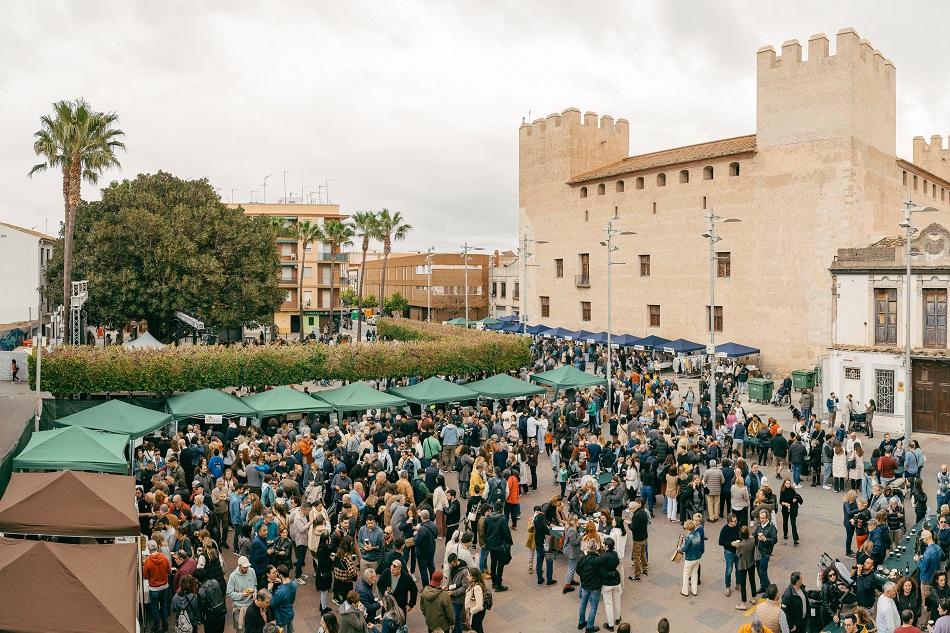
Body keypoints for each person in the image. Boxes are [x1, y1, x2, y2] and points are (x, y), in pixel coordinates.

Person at [144, 539, 172, 633]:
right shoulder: (164, 558)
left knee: (155, 608)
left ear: (148, 549)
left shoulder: (148, 561)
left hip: (154, 588)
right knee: (164, 606)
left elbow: (145, 576)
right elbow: (169, 570)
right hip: (164, 586)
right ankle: (165, 626)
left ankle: (156, 627)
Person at [577, 539, 605, 633]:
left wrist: (583, 577)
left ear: (588, 547)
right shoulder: (598, 559)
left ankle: (581, 622)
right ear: (596, 547)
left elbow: (578, 570)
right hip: (595, 586)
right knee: (594, 605)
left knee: (583, 603)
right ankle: (590, 626)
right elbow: (601, 572)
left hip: (585, 584)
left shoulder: (582, 558)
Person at [484, 501, 512, 592]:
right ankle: (498, 584)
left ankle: (493, 581)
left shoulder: (488, 518)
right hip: (500, 545)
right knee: (500, 564)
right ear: (501, 509)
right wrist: (509, 542)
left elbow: (485, 531)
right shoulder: (503, 518)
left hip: (491, 544)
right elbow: (506, 531)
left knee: (493, 562)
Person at [226, 556, 258, 633]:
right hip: (239, 608)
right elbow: (229, 593)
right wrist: (241, 595)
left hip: (251, 606)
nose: (247, 569)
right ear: (239, 566)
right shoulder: (233, 576)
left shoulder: (252, 571)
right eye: (244, 567)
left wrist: (255, 593)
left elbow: (255, 585)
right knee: (240, 631)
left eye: (247, 567)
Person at [752, 509, 778, 594]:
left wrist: (765, 539)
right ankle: (763, 586)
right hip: (758, 552)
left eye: (763, 518)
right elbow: (754, 534)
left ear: (767, 518)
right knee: (759, 571)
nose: (761, 520)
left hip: (765, 553)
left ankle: (769, 589)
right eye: (760, 518)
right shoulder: (759, 526)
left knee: (763, 572)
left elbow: (774, 540)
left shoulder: (771, 528)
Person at [600, 536, 622, 631]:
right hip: (617, 582)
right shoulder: (615, 554)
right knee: (617, 601)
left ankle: (610, 624)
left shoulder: (603, 557)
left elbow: (603, 572)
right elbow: (617, 566)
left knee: (608, 604)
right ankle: (617, 618)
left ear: (607, 546)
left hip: (607, 584)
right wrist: (615, 572)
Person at [531, 504, 556, 586]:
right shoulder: (542, 519)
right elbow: (546, 531)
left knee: (539, 561)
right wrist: (549, 528)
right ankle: (549, 580)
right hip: (544, 543)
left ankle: (540, 579)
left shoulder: (536, 518)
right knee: (549, 561)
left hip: (537, 542)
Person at [735, 524, 758, 610]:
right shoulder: (752, 540)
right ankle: (753, 597)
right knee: (752, 580)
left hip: (743, 565)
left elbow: (738, 554)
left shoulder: (740, 545)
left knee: (743, 583)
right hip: (751, 562)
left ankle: (743, 603)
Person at [270, 564, 296, 633]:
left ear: (280, 575)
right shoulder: (294, 584)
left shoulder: (280, 592)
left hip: (281, 617)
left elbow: (272, 603)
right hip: (290, 613)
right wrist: (281, 582)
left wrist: (269, 590)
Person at [720, 513, 741, 597]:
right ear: (729, 522)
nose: (736, 522)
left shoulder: (738, 527)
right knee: (729, 570)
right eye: (734, 521)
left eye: (736, 520)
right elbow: (720, 541)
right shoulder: (725, 529)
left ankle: (738, 584)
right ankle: (727, 587)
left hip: (738, 551)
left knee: (738, 569)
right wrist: (730, 543)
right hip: (729, 552)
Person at [680, 519, 703, 597]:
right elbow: (692, 540)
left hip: (690, 559)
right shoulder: (697, 534)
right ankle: (694, 590)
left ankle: (685, 591)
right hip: (698, 558)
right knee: (694, 574)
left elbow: (685, 548)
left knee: (686, 574)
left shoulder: (688, 537)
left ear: (687, 529)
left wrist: (679, 549)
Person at [628, 501, 649, 582]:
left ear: (633, 508)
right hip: (644, 537)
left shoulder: (636, 516)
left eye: (630, 509)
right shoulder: (643, 512)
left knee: (636, 558)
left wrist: (629, 523)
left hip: (638, 539)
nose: (630, 511)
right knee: (643, 554)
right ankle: (644, 570)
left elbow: (633, 528)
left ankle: (636, 575)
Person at [779, 478, 802, 545]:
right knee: (785, 521)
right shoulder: (782, 492)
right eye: (787, 483)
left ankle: (795, 539)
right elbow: (781, 501)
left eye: (789, 483)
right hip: (785, 508)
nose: (788, 485)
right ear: (784, 484)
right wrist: (785, 504)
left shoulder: (792, 490)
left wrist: (795, 499)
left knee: (793, 523)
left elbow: (795, 495)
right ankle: (785, 533)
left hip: (792, 508)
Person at [563, 515, 583, 593]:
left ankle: (571, 580)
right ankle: (567, 585)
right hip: (572, 552)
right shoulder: (573, 531)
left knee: (572, 567)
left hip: (568, 550)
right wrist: (580, 536)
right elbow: (574, 542)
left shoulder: (567, 526)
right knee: (571, 568)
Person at [465, 568, 488, 633]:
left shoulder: (477, 588)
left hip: (476, 613)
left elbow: (479, 606)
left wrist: (471, 610)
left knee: (476, 628)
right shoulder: (473, 584)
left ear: (474, 577)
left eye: (469, 576)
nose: (467, 577)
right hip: (474, 613)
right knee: (478, 628)